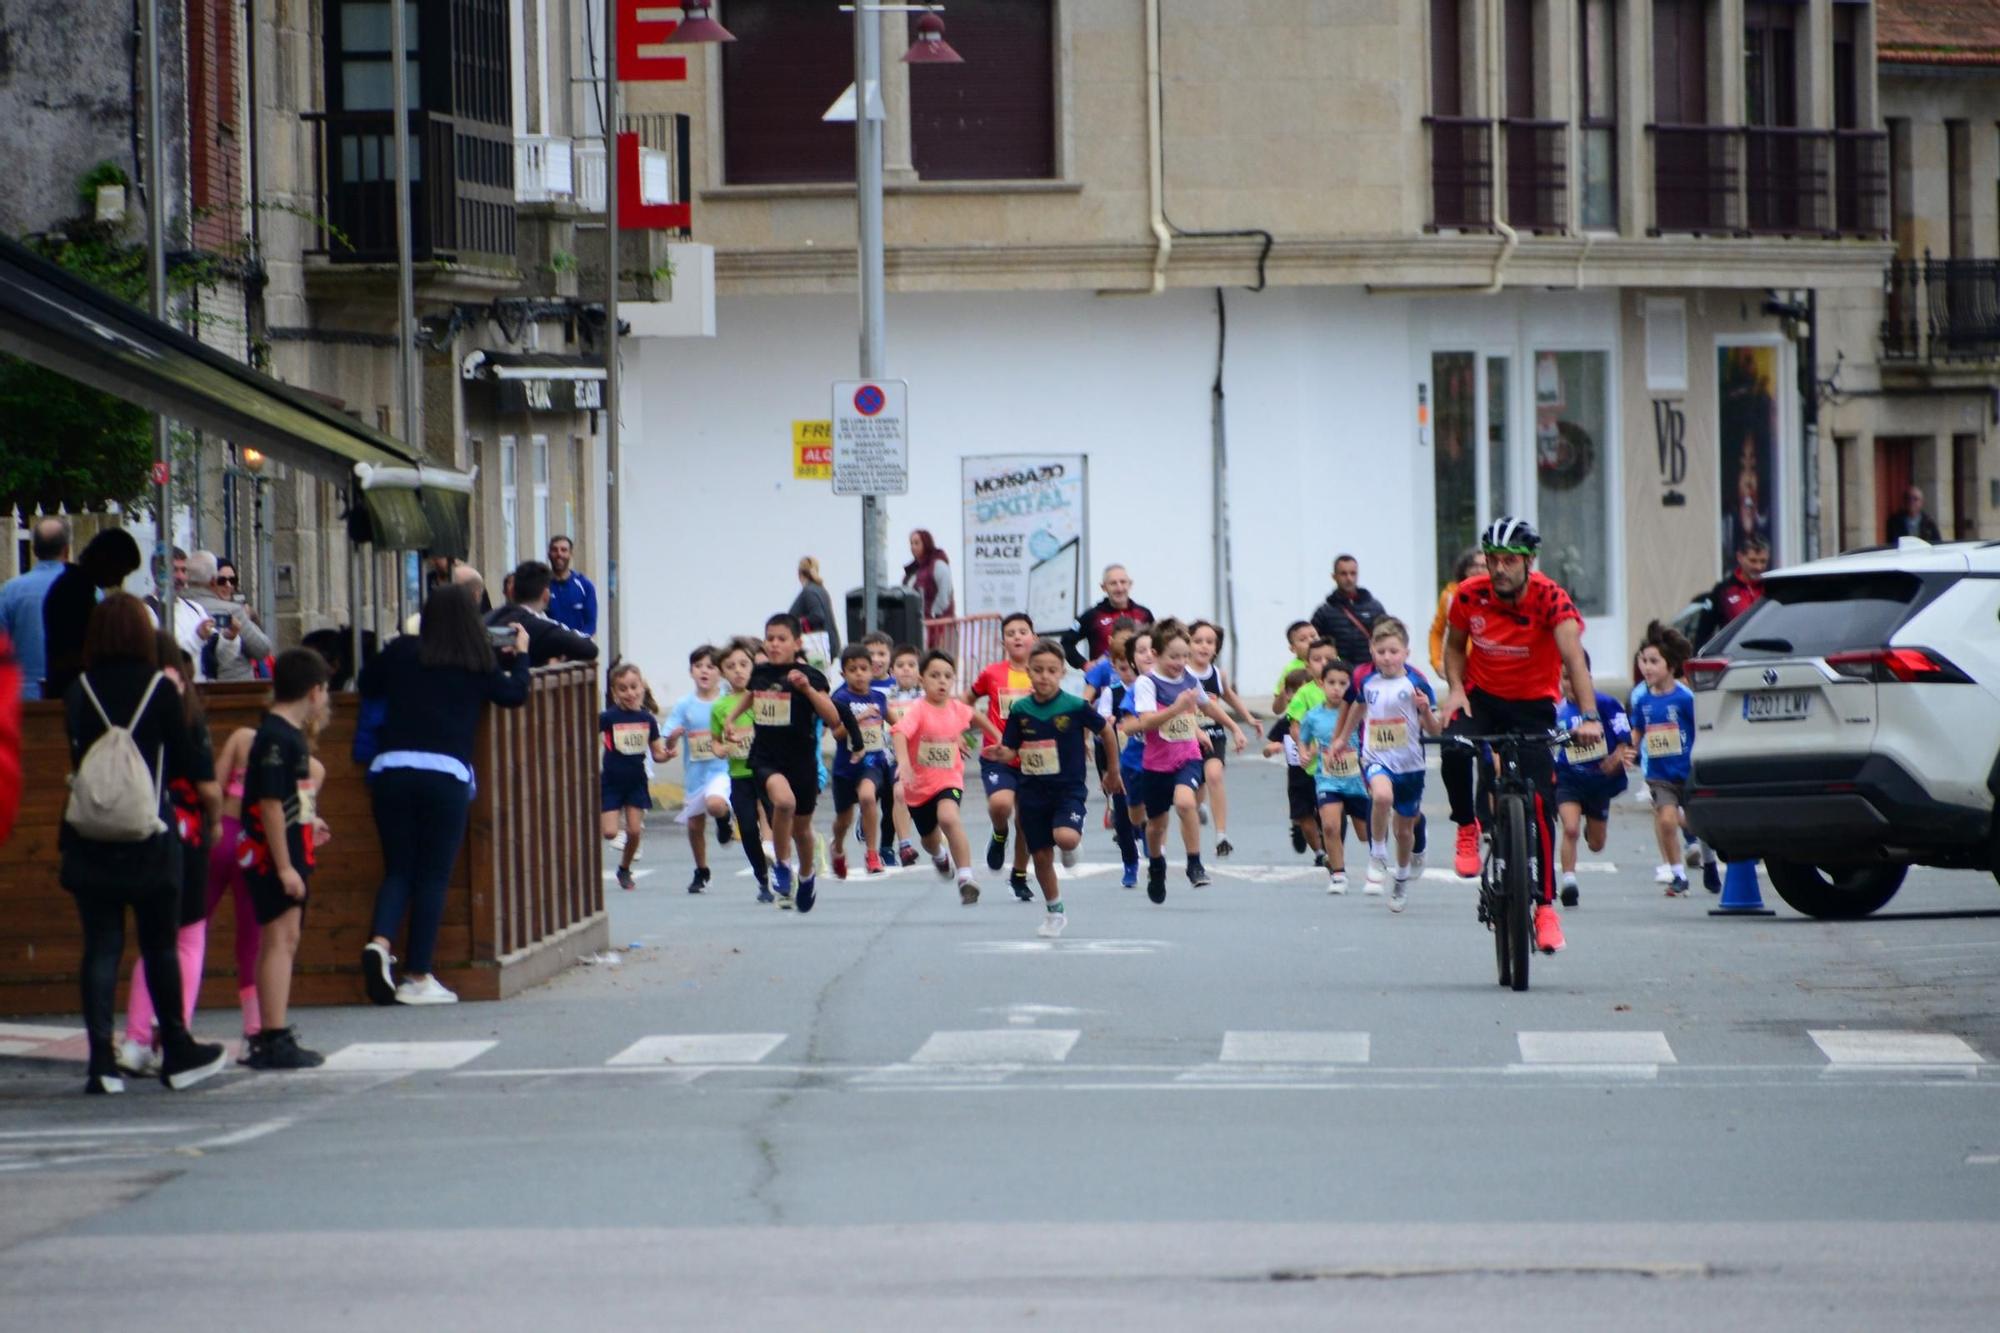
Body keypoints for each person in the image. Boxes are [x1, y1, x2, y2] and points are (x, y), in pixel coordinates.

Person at [59, 593, 228, 1093]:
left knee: (101, 947)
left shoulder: (78, 690)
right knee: (159, 945)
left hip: (89, 835)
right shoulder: (159, 690)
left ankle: (101, 1065)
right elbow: (188, 765)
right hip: (150, 834)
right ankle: (175, 1047)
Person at [358, 584, 532, 1005]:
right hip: (444, 773)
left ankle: (380, 944)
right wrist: (521, 654)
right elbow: (514, 694)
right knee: (433, 877)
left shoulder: (402, 651)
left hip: (391, 769)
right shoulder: (474, 661)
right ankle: (418, 975)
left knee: (399, 868)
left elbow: (366, 681)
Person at [1441, 517, 1602, 956]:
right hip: (1482, 698)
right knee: (1454, 749)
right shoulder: (1470, 595)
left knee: (1539, 803)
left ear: (1529, 562)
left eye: (1509, 560)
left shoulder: (1552, 599)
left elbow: (1574, 660)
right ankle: (1467, 826)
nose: (1499, 568)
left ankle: (1545, 908)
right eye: (1493, 560)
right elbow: (1454, 647)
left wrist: (1589, 716)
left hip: (1533, 705)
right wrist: (1455, 690)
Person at [120, 636, 224, 1076]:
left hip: (137, 822)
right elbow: (206, 783)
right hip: (185, 827)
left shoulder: (128, 702)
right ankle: (172, 1033)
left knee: (153, 940)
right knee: (188, 936)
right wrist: (216, 820)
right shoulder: (181, 708)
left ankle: (136, 1037)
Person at [988, 639, 1124, 938]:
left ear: (1062, 672)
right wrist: (1001, 753)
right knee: (1040, 857)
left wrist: (1113, 771)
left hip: (1067, 789)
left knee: (1065, 838)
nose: (1044, 676)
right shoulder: (1021, 709)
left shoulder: (1075, 707)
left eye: (1051, 670)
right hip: (1032, 791)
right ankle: (1055, 912)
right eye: (1037, 670)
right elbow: (1011, 748)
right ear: (1029, 672)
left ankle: (1073, 843)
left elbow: (1106, 731)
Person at [236, 649, 332, 1066]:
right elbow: (271, 803)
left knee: (284, 940)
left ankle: (271, 1030)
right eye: (325, 691)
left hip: (289, 847)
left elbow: (296, 796)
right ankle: (271, 1034)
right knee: (279, 940)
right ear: (314, 692)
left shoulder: (287, 736)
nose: (326, 699)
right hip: (273, 854)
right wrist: (285, 866)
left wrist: (311, 824)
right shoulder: (277, 736)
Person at [720, 613, 842, 913]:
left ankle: (807, 875)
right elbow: (750, 696)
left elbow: (833, 717)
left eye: (781, 639)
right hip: (766, 757)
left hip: (801, 761)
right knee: (783, 803)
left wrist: (807, 690)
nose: (774, 645)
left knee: (802, 830)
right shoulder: (760, 674)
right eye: (770, 639)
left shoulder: (810, 676)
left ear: (796, 643)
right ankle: (783, 866)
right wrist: (732, 720)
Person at [1129, 619, 1246, 902]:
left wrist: (1235, 727)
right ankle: (1157, 866)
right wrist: (1177, 708)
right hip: (1156, 764)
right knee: (1156, 826)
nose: (1180, 663)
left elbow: (1208, 706)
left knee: (1185, 802)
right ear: (1155, 655)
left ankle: (1195, 863)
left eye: (1184, 656)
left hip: (1187, 757)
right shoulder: (1147, 683)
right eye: (1173, 657)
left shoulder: (1190, 679)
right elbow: (1146, 722)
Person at [1332, 618, 1440, 912]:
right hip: (1377, 757)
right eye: (1381, 652)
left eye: (1393, 651)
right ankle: (1377, 853)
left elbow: (1435, 729)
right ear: (1372, 651)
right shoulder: (1368, 681)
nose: (1387, 658)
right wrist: (1342, 738)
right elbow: (1358, 706)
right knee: (1381, 796)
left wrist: (1423, 711)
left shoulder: (1416, 683)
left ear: (1406, 652)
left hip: (1410, 764)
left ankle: (1401, 879)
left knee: (1404, 831)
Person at [890, 649, 1000, 903]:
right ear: (922, 680)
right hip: (918, 787)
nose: (941, 681)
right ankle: (940, 855)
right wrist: (904, 762)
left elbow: (977, 716)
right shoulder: (918, 709)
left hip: (949, 780)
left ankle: (965, 877)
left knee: (949, 817)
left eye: (947, 676)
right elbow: (899, 732)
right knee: (929, 840)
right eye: (934, 676)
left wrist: (1001, 738)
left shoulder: (957, 708)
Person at [1630, 622, 1710, 895]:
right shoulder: (1643, 700)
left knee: (1694, 822)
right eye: (1643, 661)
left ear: (1671, 665)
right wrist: (1629, 749)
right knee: (1666, 819)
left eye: (1654, 661)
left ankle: (1709, 859)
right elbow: (1638, 728)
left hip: (1687, 771)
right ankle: (1678, 874)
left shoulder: (1686, 698)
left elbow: (1701, 727)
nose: (1647, 667)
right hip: (1659, 774)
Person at [1553, 659, 1634, 909]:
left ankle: (1592, 827)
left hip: (1599, 782)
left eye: (1574, 677)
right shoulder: (1557, 712)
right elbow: (1548, 744)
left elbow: (1624, 739)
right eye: (1565, 678)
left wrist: (1618, 756)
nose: (1570, 684)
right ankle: (1568, 882)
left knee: (1596, 844)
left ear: (1587, 676)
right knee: (1570, 829)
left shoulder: (1607, 705)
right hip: (1569, 779)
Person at [967, 613, 1037, 899]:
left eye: (1023, 631)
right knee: (1000, 804)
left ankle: (1019, 875)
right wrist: (959, 729)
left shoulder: (1043, 672)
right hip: (998, 756)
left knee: (1027, 820)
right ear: (1003, 641)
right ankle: (999, 834)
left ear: (1035, 638)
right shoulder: (992, 673)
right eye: (1011, 633)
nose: (1017, 637)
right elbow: (966, 701)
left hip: (1034, 757)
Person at [664, 647, 735, 894]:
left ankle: (725, 819)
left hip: (722, 770)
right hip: (696, 773)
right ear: (691, 672)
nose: (704, 670)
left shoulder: (728, 700)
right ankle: (702, 870)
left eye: (710, 666)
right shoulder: (685, 705)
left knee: (715, 804)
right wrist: (672, 740)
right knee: (695, 826)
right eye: (698, 666)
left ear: (720, 673)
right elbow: (668, 737)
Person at [43, 527, 143, 700]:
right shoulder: (75, 592)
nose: (119, 582)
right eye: (120, 572)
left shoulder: (73, 586)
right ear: (106, 560)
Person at [1294, 658, 1366, 893]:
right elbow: (1303, 740)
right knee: (1331, 826)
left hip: (1357, 781)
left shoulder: (1358, 712)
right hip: (1328, 779)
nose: (1337, 688)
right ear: (1321, 684)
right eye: (1331, 683)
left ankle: (1380, 849)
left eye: (1343, 683)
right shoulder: (1313, 716)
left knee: (1365, 835)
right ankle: (1338, 875)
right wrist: (1304, 754)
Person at [602, 662, 671, 893]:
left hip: (636, 782)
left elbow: (657, 754)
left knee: (634, 831)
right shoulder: (608, 718)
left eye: (633, 687)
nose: (630, 693)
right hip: (611, 781)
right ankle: (605, 816)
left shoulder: (648, 720)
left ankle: (624, 868)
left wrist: (668, 752)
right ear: (614, 692)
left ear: (642, 687)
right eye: (623, 689)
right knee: (610, 833)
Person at [1187, 621, 1254, 858]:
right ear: (1188, 644)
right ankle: (1198, 806)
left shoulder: (1217, 674)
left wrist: (1246, 720)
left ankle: (1221, 836)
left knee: (1214, 774)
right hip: (1186, 737)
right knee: (1194, 787)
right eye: (1198, 641)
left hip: (1214, 734)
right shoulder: (1181, 673)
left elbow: (1230, 696)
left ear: (1216, 648)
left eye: (1210, 642)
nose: (1204, 646)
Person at [827, 644, 894, 880]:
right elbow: (836, 733)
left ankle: (872, 853)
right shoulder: (840, 698)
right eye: (852, 669)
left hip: (872, 762)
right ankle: (837, 848)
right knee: (843, 819)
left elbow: (897, 723)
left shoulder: (879, 697)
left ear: (872, 671)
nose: (859, 673)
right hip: (846, 767)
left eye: (863, 668)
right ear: (844, 674)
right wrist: (858, 719)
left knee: (868, 797)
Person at [0, 515, 69, 699]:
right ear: (66, 549)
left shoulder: (10, 591)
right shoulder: (86, 591)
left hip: (22, 696)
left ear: (34, 549)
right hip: (70, 695)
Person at [487, 560, 600, 667]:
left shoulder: (488, 619)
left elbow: (498, 638)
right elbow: (590, 648)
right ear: (546, 595)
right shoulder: (541, 628)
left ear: (512, 591)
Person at [187, 550, 273, 682]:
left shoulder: (175, 605)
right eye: (222, 580)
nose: (228, 585)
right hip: (233, 690)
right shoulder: (233, 611)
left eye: (233, 580)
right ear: (213, 581)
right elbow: (262, 649)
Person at [1060, 564, 1154, 668]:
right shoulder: (1092, 616)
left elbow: (1157, 645)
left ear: (1130, 584)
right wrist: (1084, 664)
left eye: (1123, 582)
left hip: (1138, 680)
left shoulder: (1144, 614)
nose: (1119, 588)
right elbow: (1066, 643)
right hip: (1103, 682)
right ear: (1103, 587)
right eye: (1113, 583)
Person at [1310, 554, 1388, 668]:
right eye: (1343, 573)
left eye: (1353, 573)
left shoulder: (1375, 608)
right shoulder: (1324, 612)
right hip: (1337, 674)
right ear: (1334, 576)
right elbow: (1314, 645)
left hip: (1368, 671)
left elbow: (1386, 637)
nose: (1349, 578)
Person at [1692, 537, 1769, 648]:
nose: (1758, 567)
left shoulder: (1772, 588)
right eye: (1753, 561)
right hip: (1734, 654)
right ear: (1740, 557)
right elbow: (1704, 630)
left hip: (1769, 653)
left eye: (1763, 561)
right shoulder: (1723, 590)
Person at [1429, 549, 1486, 678]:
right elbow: (1437, 632)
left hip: (1489, 671)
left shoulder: (1499, 596)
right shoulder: (1450, 595)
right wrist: (1437, 662)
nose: (1478, 570)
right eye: (1473, 565)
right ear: (1464, 569)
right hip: (1460, 671)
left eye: (1483, 566)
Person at [902, 529, 955, 641]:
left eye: (917, 543)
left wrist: (933, 613)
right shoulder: (913, 569)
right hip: (918, 624)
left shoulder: (938, 565)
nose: (913, 547)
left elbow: (945, 593)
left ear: (926, 543)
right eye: (911, 543)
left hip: (938, 625)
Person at [788, 556, 841, 660]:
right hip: (825, 646)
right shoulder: (821, 591)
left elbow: (817, 615)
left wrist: (795, 624)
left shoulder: (809, 592)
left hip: (814, 648)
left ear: (799, 574)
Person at [545, 536, 598, 636]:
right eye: (554, 550)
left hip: (576, 648)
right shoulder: (541, 585)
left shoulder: (585, 586)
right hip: (548, 648)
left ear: (570, 554)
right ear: (549, 554)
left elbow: (591, 624)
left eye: (564, 550)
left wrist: (574, 643)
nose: (559, 554)